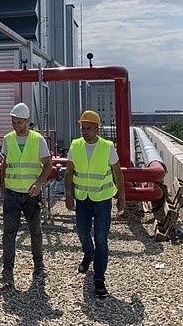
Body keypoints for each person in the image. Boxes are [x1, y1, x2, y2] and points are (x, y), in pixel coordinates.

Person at [64, 110, 125, 297]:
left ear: (97, 128)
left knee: (101, 239)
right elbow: (69, 172)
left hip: (102, 199)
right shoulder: (75, 145)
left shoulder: (107, 147)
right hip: (82, 198)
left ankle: (99, 279)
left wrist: (121, 194)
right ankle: (88, 253)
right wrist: (68, 193)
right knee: (82, 232)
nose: (84, 131)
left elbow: (117, 171)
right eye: (82, 127)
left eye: (88, 128)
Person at [0, 102, 52, 286]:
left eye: (19, 121)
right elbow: (6, 163)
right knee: (9, 232)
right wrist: (3, 185)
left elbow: (48, 164)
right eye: (14, 121)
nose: (15, 124)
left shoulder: (37, 140)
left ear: (27, 121)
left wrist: (39, 183)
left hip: (31, 195)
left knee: (35, 231)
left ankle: (38, 265)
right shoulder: (8, 139)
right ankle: (7, 270)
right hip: (12, 193)